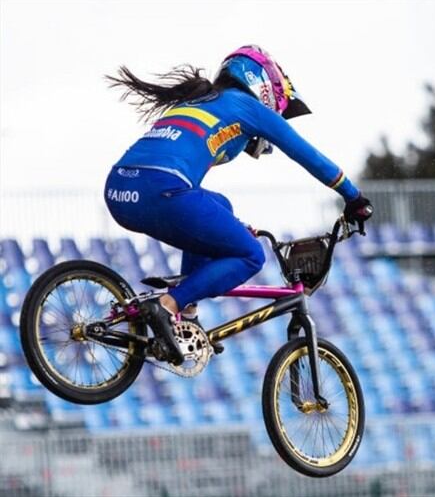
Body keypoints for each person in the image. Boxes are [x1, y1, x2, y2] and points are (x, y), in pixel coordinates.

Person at [104, 45, 372, 365]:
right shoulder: (245, 106)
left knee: (219, 204)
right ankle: (169, 306)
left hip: (119, 191)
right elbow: (307, 154)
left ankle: (185, 314)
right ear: (266, 88)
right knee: (250, 255)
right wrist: (353, 196)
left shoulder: (197, 103)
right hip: (161, 190)